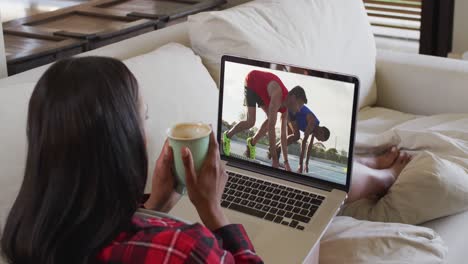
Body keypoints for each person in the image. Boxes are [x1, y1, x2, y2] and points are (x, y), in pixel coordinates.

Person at [0, 57, 263, 264]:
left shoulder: (25, 236)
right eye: (143, 119)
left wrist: (154, 205)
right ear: (124, 140)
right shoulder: (184, 249)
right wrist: (212, 210)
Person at [222, 70, 296, 171]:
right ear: (292, 98)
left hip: (264, 91)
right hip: (252, 82)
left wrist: (286, 162)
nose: (298, 109)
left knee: (270, 120)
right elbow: (271, 128)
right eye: (298, 105)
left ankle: (252, 143)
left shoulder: (286, 108)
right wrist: (275, 160)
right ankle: (227, 136)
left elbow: (283, 135)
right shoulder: (278, 96)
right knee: (251, 121)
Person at [269, 86, 330, 173]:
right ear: (321, 131)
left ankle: (275, 149)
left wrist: (307, 163)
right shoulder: (312, 123)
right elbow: (304, 144)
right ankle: (276, 150)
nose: (318, 139)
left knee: (294, 136)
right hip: (292, 111)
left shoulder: (314, 131)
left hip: (295, 118)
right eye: (320, 138)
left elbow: (309, 148)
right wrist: (300, 165)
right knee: (296, 136)